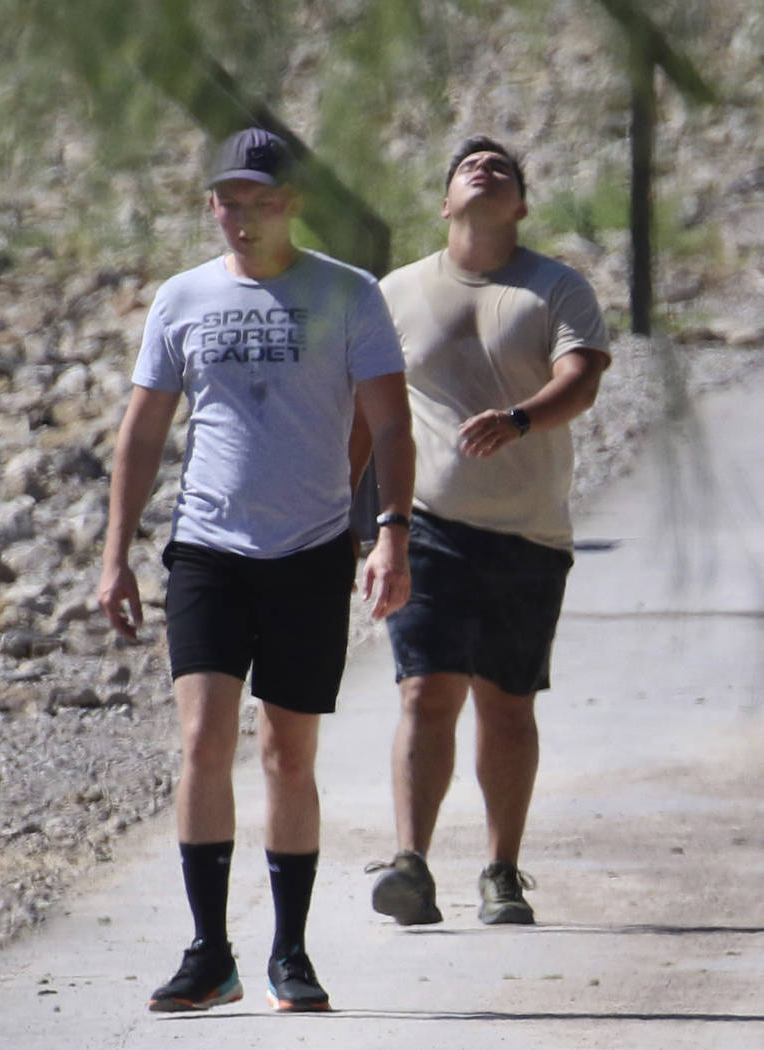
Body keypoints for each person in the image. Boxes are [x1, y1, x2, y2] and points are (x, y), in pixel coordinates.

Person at [98, 127, 414, 1013]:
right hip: (207, 546)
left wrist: (389, 532)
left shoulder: (345, 294)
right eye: (228, 200)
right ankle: (208, 952)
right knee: (201, 741)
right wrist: (115, 552)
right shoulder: (181, 298)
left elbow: (390, 423)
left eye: (261, 199)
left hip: (312, 548)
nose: (242, 216)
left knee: (286, 753)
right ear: (212, 206)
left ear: (294, 204)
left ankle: (290, 952)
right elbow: (144, 431)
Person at [368, 134, 610, 928]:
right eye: (468, 167)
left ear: (521, 205)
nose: (484, 168)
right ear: (444, 204)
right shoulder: (396, 292)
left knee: (506, 703)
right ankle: (410, 864)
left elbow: (580, 380)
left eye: (501, 168)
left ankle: (501, 871)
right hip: (429, 525)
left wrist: (518, 419)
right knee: (423, 691)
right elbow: (367, 412)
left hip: (529, 533)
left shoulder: (555, 288)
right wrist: (373, 526)